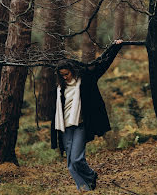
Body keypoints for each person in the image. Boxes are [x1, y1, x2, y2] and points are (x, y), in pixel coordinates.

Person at [51, 39, 123, 192]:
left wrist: (115, 47)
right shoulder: (59, 87)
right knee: (70, 163)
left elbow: (101, 64)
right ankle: (84, 188)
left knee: (77, 159)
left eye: (66, 74)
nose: (64, 77)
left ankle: (91, 176)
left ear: (73, 70)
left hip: (81, 125)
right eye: (61, 75)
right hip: (64, 127)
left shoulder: (85, 80)